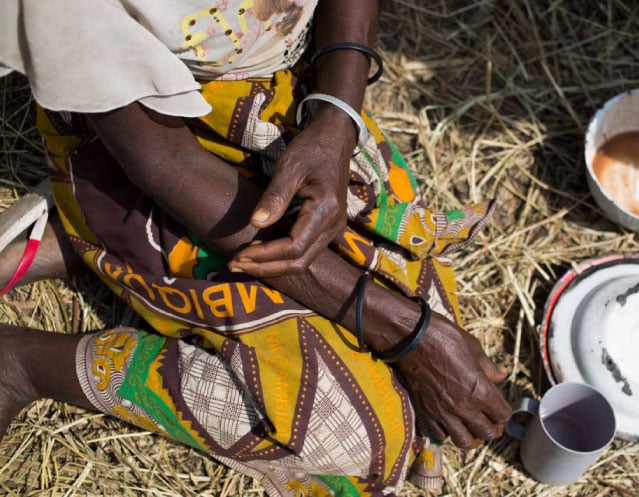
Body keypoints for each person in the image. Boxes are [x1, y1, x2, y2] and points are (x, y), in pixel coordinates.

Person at [0, 0, 512, 495]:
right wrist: (407, 332)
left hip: (285, 105)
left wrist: (335, 120)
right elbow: (165, 160)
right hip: (161, 151)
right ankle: (23, 361)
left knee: (422, 287)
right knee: (360, 436)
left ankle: (95, 242)